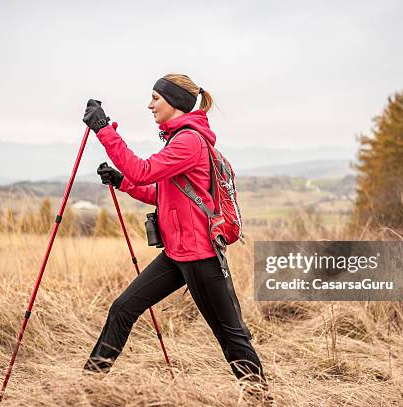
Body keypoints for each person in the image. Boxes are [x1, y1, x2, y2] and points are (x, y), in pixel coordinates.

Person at [82, 74, 267, 388]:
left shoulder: (189, 141)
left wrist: (103, 130)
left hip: (201, 256)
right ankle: (87, 386)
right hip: (177, 254)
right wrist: (121, 182)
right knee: (123, 308)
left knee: (230, 335)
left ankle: (260, 397)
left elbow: (143, 171)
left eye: (156, 98)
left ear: (175, 102)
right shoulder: (178, 139)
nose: (150, 105)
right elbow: (161, 192)